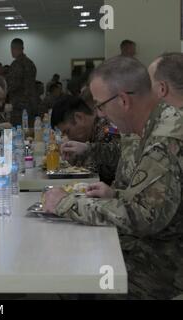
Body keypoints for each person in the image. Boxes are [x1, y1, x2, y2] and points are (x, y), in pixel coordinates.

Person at [44, 56, 183, 300]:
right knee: (66, 256)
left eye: (100, 105)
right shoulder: (140, 128)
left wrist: (65, 204)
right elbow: (152, 195)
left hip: (164, 261)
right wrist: (115, 194)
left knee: (74, 269)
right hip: (146, 243)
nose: (99, 114)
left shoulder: (165, 138)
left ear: (123, 100)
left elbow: (144, 217)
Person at [51, 95, 121, 185]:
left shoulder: (106, 129)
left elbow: (112, 167)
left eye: (68, 131)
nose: (69, 137)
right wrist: (75, 158)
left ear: (79, 117)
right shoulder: (95, 131)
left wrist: (87, 150)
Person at [7, 38, 37, 125]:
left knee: (18, 132)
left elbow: (13, 85)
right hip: (31, 104)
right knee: (29, 130)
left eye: (12, 49)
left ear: (14, 48)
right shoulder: (31, 63)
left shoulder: (16, 64)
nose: (11, 51)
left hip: (19, 106)